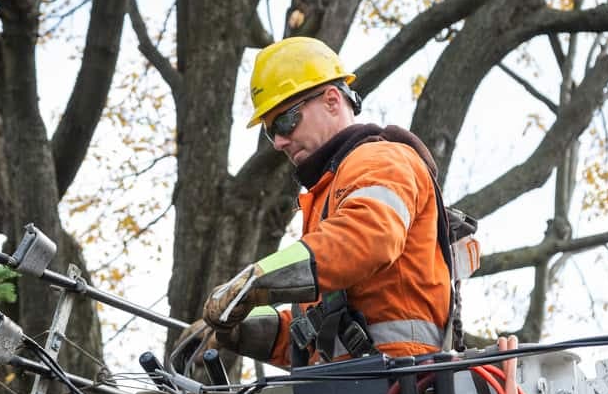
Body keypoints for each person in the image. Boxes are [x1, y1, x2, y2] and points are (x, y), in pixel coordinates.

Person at [178, 36, 458, 371]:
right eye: (271, 132)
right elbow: (316, 338)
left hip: (403, 389)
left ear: (331, 100)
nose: (280, 141)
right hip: (352, 390)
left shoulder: (381, 159)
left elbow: (367, 238)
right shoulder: (328, 193)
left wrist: (257, 281)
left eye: (285, 121)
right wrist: (240, 330)